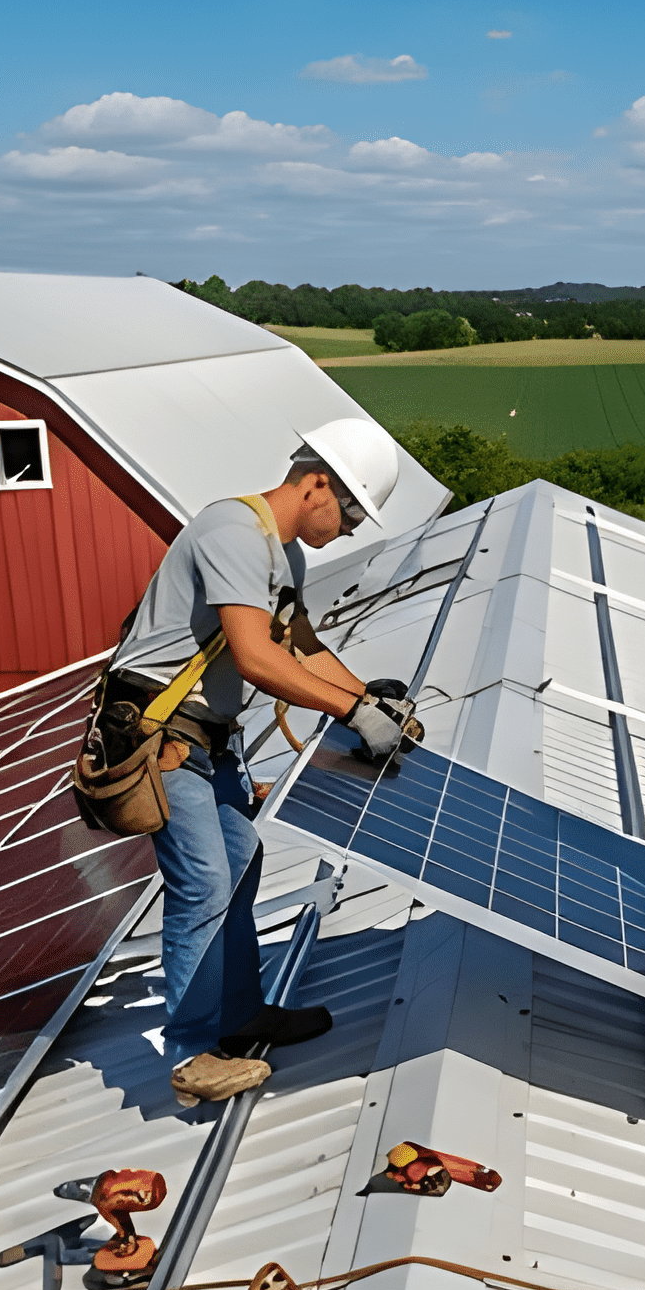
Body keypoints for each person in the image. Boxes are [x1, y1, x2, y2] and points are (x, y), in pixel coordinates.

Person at [109, 418, 418, 1105]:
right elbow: (255, 655)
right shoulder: (233, 534)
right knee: (204, 883)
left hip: (209, 740)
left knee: (241, 861)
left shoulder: (285, 558)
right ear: (315, 485)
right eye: (350, 512)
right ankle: (195, 1054)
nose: (351, 531)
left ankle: (242, 1014)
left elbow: (301, 649)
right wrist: (349, 712)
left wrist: (368, 700)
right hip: (161, 737)